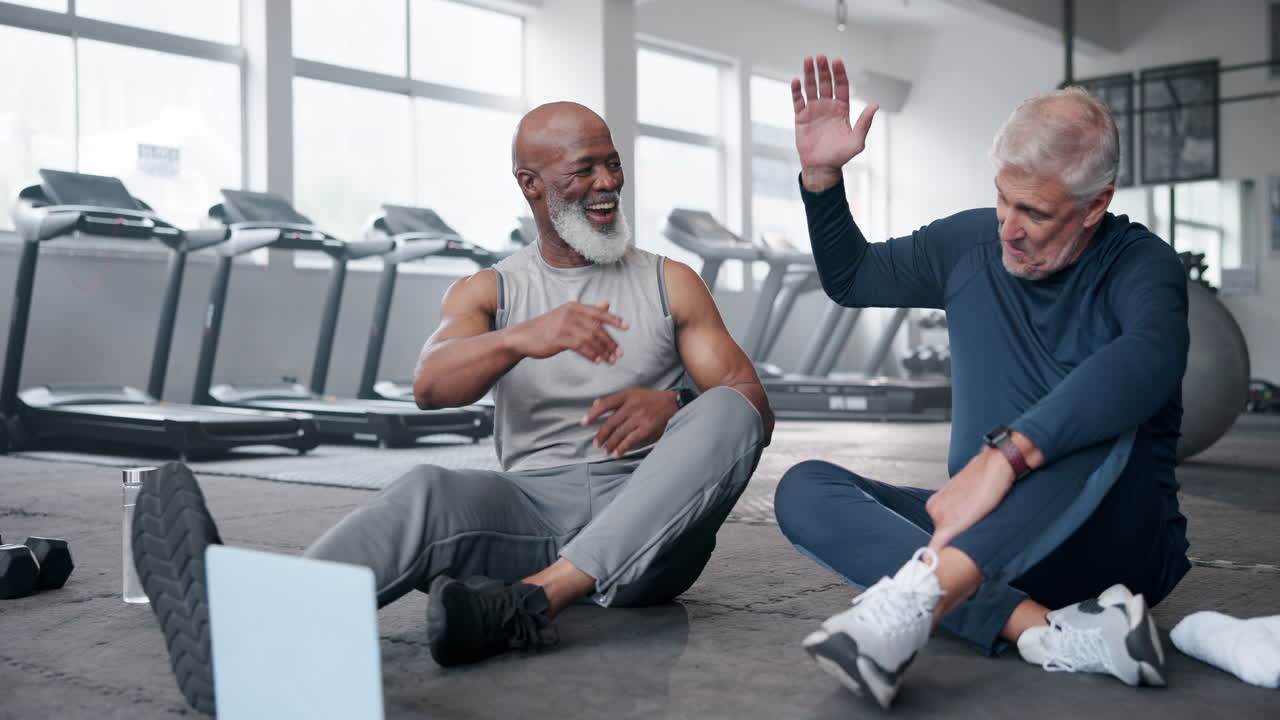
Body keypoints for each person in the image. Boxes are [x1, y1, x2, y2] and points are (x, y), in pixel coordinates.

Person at [131, 101, 774, 715]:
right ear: (531, 184)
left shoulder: (670, 281)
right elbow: (430, 385)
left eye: (613, 164)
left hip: (652, 525)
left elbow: (753, 410)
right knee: (426, 490)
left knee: (725, 411)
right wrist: (523, 336)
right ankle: (247, 637)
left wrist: (673, 401)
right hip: (530, 510)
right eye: (584, 169)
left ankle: (533, 603)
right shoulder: (490, 289)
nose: (607, 183)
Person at [773, 55, 1189, 709]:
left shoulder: (1142, 265)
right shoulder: (969, 243)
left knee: (1104, 408)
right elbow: (853, 278)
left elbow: (1151, 357)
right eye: (1001, 198)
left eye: (1035, 212)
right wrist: (823, 179)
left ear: (1095, 204)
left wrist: (1007, 455)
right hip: (988, 537)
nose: (1009, 229)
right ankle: (1042, 632)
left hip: (1116, 548)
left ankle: (919, 598)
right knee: (804, 489)